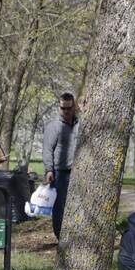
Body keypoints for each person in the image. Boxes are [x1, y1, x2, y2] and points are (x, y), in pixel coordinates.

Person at [42, 92, 79, 239]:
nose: (66, 112)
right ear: (59, 108)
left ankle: (73, 235)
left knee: (74, 205)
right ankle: (60, 236)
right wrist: (49, 170)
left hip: (76, 171)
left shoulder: (78, 124)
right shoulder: (53, 126)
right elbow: (47, 150)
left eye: (69, 108)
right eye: (63, 108)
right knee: (59, 206)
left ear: (73, 107)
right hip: (59, 172)